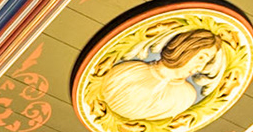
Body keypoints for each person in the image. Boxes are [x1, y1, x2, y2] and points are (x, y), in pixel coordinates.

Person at [94, 30, 225, 124]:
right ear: (184, 50)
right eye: (201, 57)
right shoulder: (128, 71)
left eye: (207, 61)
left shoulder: (187, 96)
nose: (201, 66)